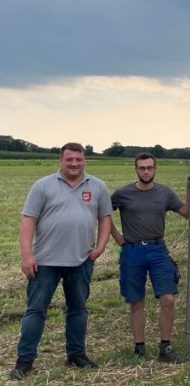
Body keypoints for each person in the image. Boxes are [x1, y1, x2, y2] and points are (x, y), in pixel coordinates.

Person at [10, 143, 113, 381]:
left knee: (78, 310)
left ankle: (76, 355)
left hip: (81, 261)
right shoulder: (43, 185)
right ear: (61, 160)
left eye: (79, 159)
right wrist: (27, 255)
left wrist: (100, 247)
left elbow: (105, 218)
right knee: (36, 311)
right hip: (45, 262)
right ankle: (24, 360)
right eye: (70, 160)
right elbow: (28, 222)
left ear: (84, 160)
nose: (74, 164)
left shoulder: (97, 186)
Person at [111, 152, 189, 363]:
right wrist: (117, 236)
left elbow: (188, 212)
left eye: (150, 168)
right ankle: (139, 348)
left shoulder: (165, 193)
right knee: (136, 302)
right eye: (142, 168)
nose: (146, 171)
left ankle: (165, 347)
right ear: (135, 170)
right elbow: (103, 213)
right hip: (132, 251)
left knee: (168, 298)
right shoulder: (122, 193)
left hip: (157, 249)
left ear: (156, 169)